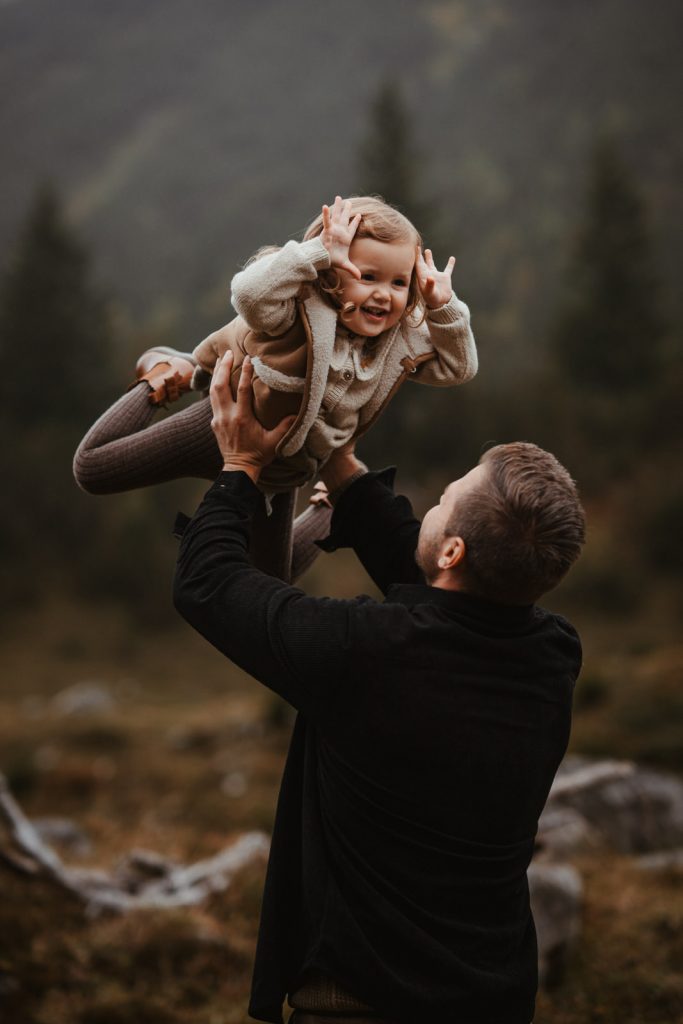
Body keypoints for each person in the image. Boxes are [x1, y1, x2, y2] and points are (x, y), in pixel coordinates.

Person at [172, 353, 586, 1024]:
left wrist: (239, 469)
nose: (433, 503)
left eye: (446, 499)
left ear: (451, 551)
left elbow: (208, 585)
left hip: (357, 1004)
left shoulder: (361, 652)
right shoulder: (551, 656)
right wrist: (340, 465)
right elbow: (444, 586)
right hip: (491, 998)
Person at [74, 195, 477, 582]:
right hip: (220, 429)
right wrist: (317, 253)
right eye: (367, 276)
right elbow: (247, 295)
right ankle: (166, 373)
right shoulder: (296, 305)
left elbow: (459, 368)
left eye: (398, 283)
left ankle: (332, 506)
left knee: (270, 584)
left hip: (284, 470)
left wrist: (443, 308)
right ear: (332, 270)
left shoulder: (399, 340)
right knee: (94, 469)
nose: (383, 294)